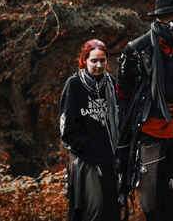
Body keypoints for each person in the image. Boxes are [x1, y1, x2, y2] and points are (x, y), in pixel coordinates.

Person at [116, 0, 173, 221]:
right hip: (150, 132)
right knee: (151, 202)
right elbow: (124, 94)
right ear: (161, 20)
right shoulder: (136, 49)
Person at [59, 39, 119, 221]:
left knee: (112, 212)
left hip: (112, 161)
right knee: (92, 212)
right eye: (94, 60)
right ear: (84, 60)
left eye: (102, 60)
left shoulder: (112, 84)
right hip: (86, 161)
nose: (99, 65)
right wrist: (95, 153)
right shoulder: (74, 85)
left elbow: (121, 122)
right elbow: (68, 131)